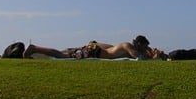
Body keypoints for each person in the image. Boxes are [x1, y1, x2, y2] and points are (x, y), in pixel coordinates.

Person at [23, 35, 165, 60]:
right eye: (145, 46)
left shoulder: (124, 46)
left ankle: (35, 48)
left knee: (63, 54)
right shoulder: (128, 46)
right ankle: (34, 48)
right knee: (62, 56)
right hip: (94, 52)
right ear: (139, 44)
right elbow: (139, 59)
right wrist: (153, 56)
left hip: (94, 49)